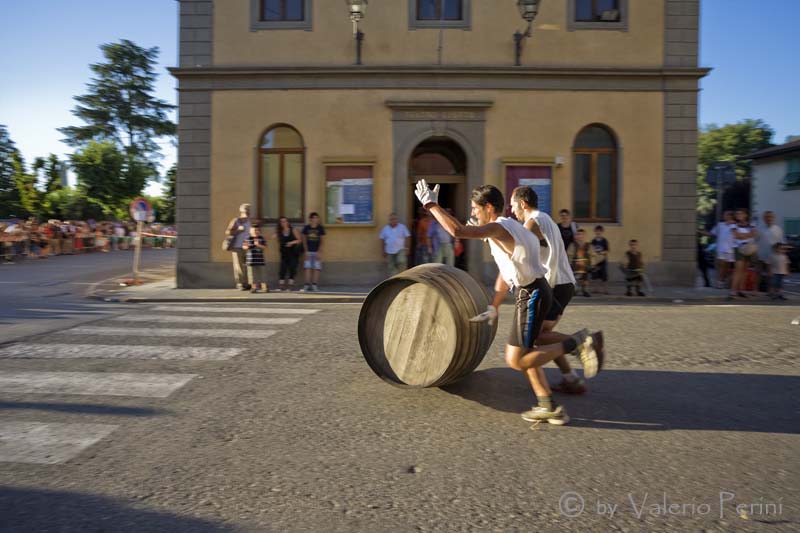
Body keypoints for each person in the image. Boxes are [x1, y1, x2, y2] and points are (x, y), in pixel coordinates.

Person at [414, 179, 604, 425]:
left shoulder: (499, 228)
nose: (472, 213)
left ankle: (577, 342)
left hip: (532, 294)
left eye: (475, 208)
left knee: (516, 359)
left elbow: (457, 231)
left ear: (489, 207)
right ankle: (547, 403)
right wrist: (494, 304)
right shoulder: (512, 228)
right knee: (529, 348)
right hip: (535, 291)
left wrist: (430, 204)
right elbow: (509, 267)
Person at [511, 186, 589, 395]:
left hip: (556, 285)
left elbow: (517, 249)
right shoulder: (546, 219)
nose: (512, 211)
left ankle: (581, 343)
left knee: (536, 338)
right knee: (546, 335)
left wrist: (489, 234)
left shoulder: (533, 221)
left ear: (523, 203)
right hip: (563, 283)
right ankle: (570, 378)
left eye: (513, 206)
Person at [729, 208, 758, 299]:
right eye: (737, 213)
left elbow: (754, 234)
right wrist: (748, 235)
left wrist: (743, 236)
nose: (739, 215)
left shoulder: (751, 224)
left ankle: (741, 290)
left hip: (749, 248)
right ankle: (733, 290)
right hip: (739, 248)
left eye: (741, 213)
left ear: (746, 215)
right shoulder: (734, 225)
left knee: (745, 270)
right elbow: (737, 236)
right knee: (738, 270)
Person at [225, 203, 252, 290]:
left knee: (247, 265)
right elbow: (227, 232)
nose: (247, 211)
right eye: (246, 210)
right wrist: (237, 229)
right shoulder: (236, 220)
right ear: (241, 211)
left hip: (247, 247)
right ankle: (240, 284)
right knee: (239, 266)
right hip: (237, 247)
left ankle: (247, 283)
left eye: (248, 210)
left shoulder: (250, 221)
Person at [757, 211, 784, 291]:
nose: (768, 218)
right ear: (763, 218)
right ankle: (756, 290)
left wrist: (781, 254)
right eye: (767, 217)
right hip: (761, 255)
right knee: (758, 273)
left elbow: (781, 243)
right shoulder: (759, 228)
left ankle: (770, 290)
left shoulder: (778, 229)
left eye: (770, 217)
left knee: (772, 274)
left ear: (773, 218)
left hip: (774, 256)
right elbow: (754, 241)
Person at [273, 216, 303, 291]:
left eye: (285, 221)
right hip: (284, 253)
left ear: (288, 222)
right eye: (282, 222)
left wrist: (291, 243)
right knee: (282, 269)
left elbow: (299, 240)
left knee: (292, 269)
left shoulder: (293, 230)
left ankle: (290, 285)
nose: (284, 223)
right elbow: (271, 237)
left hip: (293, 252)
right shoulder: (280, 232)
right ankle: (281, 285)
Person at [301, 212, 326, 292]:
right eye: (314, 218)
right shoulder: (306, 228)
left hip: (316, 251)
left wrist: (319, 252)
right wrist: (306, 251)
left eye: (317, 218)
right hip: (308, 251)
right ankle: (307, 285)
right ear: (311, 219)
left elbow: (322, 241)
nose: (316, 219)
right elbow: (304, 240)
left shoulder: (320, 228)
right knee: (308, 268)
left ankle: (314, 285)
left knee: (316, 268)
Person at [711, 211, 736, 289]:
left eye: (728, 215)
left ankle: (726, 281)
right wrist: (700, 231)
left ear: (731, 216)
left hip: (730, 249)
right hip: (721, 249)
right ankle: (720, 282)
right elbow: (712, 233)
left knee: (727, 268)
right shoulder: (720, 225)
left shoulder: (734, 225)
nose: (726, 216)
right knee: (721, 266)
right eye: (725, 215)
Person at [243, 226, 268, 293]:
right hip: (250, 260)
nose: (256, 231)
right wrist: (246, 246)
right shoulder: (248, 238)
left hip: (260, 260)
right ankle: (254, 288)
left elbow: (264, 247)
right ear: (250, 231)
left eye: (257, 230)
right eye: (254, 230)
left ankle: (264, 287)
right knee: (252, 275)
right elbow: (244, 247)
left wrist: (258, 245)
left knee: (262, 274)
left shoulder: (261, 238)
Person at [571, 229, 592, 297]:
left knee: (585, 279)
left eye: (581, 234)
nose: (580, 236)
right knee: (575, 279)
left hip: (585, 265)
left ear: (584, 236)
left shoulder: (588, 245)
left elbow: (593, 254)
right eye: (578, 234)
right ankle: (575, 290)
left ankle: (585, 290)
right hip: (575, 265)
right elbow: (569, 254)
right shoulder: (573, 245)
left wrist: (592, 263)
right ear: (575, 236)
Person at [590, 225, 609, 294]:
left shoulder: (604, 241)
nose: (598, 233)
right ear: (595, 232)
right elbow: (591, 250)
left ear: (602, 232)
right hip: (595, 261)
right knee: (595, 275)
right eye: (597, 231)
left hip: (603, 261)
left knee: (604, 276)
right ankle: (596, 289)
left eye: (599, 231)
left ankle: (605, 290)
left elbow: (607, 250)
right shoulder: (593, 241)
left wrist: (601, 252)